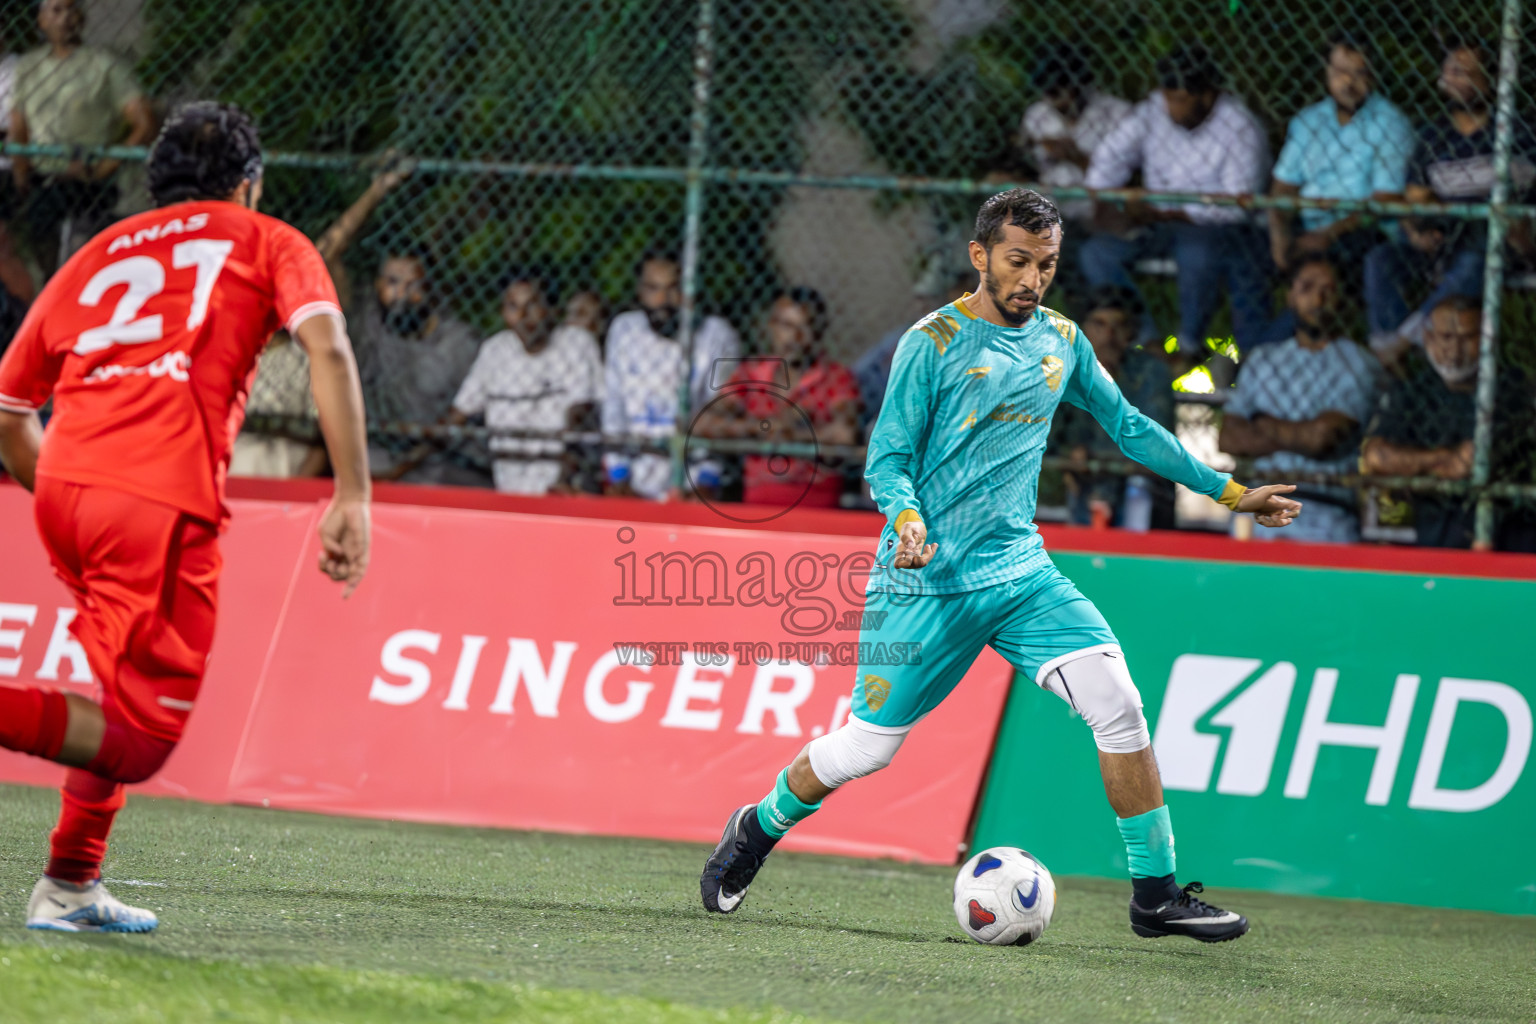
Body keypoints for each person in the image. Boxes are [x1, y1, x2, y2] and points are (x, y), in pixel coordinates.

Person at [699, 188, 1301, 942]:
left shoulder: (1062, 340)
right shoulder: (932, 341)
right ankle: (756, 828)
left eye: (1045, 265)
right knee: (867, 749)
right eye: (1017, 262)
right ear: (980, 256)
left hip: (1021, 575)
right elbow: (886, 461)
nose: (1031, 279)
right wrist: (909, 520)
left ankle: (1155, 894)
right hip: (925, 582)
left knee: (1118, 705)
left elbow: (1129, 426)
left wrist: (1231, 490)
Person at [0, 102, 370, 932]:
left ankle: (69, 884)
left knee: (113, 692)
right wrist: (353, 496)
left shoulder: (94, 255)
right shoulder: (267, 238)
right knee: (139, 738)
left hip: (64, 488)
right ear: (249, 183)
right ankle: (67, 884)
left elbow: (7, 408)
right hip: (157, 499)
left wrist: (71, 496)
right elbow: (329, 349)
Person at [1080, 45, 1270, 357]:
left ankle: (1188, 345)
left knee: (1196, 253)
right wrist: (1116, 201)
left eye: (1180, 100)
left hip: (1213, 228)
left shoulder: (1240, 127)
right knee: (1097, 253)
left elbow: (1236, 207)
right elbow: (1107, 161)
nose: (1171, 109)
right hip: (1156, 222)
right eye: (1168, 97)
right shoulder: (1154, 109)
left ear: (1207, 96)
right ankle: (1148, 340)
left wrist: (1173, 212)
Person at [1364, 42, 1536, 358]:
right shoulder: (1433, 136)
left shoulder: (1519, 132)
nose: (1458, 78)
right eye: (1452, 71)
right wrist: (1418, 229)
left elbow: (1520, 194)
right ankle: (1396, 348)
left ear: (1491, 79)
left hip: (1496, 239)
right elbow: (1416, 198)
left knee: (1477, 253)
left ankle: (1401, 345)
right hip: (1443, 236)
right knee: (1381, 259)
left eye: (1468, 72)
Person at [315, 167, 485, 486]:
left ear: (432, 289)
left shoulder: (459, 343)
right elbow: (322, 256)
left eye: (413, 284)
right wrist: (376, 191)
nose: (403, 295)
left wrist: (403, 470)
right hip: (372, 458)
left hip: (438, 468)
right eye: (393, 282)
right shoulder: (367, 322)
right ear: (378, 284)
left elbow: (466, 428)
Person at [1218, 256, 1384, 543]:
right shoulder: (1262, 359)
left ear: (1344, 299)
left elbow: (1323, 439)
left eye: (1328, 290)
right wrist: (1302, 435)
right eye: (1307, 288)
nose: (1318, 299)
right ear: (1291, 296)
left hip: (1326, 508)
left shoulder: (1359, 362)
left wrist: (1261, 423)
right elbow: (1230, 439)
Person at [1362, 295, 1536, 550]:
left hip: (1497, 528)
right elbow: (1375, 457)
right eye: (1446, 337)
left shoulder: (1511, 389)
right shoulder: (1414, 389)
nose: (1454, 350)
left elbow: (1468, 463)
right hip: (1427, 525)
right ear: (1429, 339)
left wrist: (1412, 466)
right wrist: (1443, 459)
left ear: (1488, 340)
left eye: (1467, 338)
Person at [10, 0, 156, 274]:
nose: (65, 18)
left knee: (86, 255)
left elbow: (143, 121)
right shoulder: (30, 68)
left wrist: (106, 165)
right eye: (56, 11)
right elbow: (19, 125)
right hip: (45, 179)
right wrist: (21, 173)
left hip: (90, 180)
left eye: (71, 9)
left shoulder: (103, 64)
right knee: (44, 249)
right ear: (41, 21)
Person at [1267, 38, 1413, 297]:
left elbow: (1385, 199)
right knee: (1247, 246)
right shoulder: (1308, 120)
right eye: (1340, 72)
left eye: (1359, 73)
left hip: (1360, 228)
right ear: (1327, 72)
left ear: (1373, 75)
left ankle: (1287, 333)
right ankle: (1257, 333)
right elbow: (1283, 186)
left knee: (1325, 265)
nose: (1348, 83)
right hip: (1306, 223)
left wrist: (1328, 234)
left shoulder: (1391, 122)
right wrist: (1279, 235)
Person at [693, 287, 861, 509]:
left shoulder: (836, 379)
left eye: (805, 327)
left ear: (820, 330)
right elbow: (703, 423)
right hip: (758, 503)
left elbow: (845, 433)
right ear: (772, 327)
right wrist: (761, 427)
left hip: (818, 507)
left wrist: (795, 434)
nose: (795, 338)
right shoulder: (751, 374)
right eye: (786, 326)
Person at [445, 274, 602, 495]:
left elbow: (581, 415)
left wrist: (563, 478)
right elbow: (459, 412)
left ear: (552, 309)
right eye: (513, 306)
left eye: (532, 305)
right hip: (509, 485)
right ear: (502, 312)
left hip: (562, 484)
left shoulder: (576, 343)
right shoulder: (495, 350)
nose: (522, 316)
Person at [601, 251, 739, 500]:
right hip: (634, 472)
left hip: (691, 477)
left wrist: (706, 483)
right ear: (640, 292)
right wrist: (618, 476)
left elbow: (720, 411)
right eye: (653, 289)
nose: (663, 300)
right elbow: (614, 406)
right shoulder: (624, 330)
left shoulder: (717, 335)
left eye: (673, 289)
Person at [1050, 286, 1175, 528]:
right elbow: (1050, 436)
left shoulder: (1150, 372)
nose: (1109, 335)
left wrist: (1095, 457)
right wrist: (1070, 453)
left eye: (1119, 326)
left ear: (1131, 332)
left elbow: (1155, 449)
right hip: (1086, 484)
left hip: (1138, 486)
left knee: (1137, 487)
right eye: (1099, 324)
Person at [1020, 44, 1131, 225]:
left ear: (1080, 83)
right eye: (1047, 92)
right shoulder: (1037, 115)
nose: (1052, 100)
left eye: (1057, 91)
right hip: (1049, 212)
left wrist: (1076, 157)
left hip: (1105, 213)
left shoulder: (1118, 114)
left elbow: (1131, 180)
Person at [229, 332, 328, 479]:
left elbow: (323, 445)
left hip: (286, 464)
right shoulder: (234, 352)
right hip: (234, 466)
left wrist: (295, 492)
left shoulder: (307, 356)